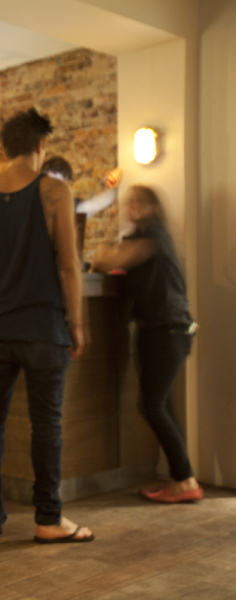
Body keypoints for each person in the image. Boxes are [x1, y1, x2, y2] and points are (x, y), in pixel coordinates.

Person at [0, 108, 94, 543]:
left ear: (4, 149)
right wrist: (78, 324)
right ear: (40, 146)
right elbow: (69, 264)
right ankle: (48, 519)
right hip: (43, 328)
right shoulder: (54, 190)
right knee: (46, 423)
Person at [91, 185, 202, 503]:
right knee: (160, 404)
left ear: (154, 207)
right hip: (159, 331)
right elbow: (108, 261)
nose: (133, 207)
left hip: (168, 331)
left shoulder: (153, 235)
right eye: (130, 202)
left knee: (153, 405)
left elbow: (106, 260)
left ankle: (185, 479)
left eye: (140, 202)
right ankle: (183, 478)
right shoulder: (144, 236)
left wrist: (105, 246)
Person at [40, 156, 122, 216]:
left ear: (68, 185)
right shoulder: (34, 206)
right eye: (50, 184)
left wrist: (112, 185)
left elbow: (96, 204)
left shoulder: (69, 208)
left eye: (60, 186)